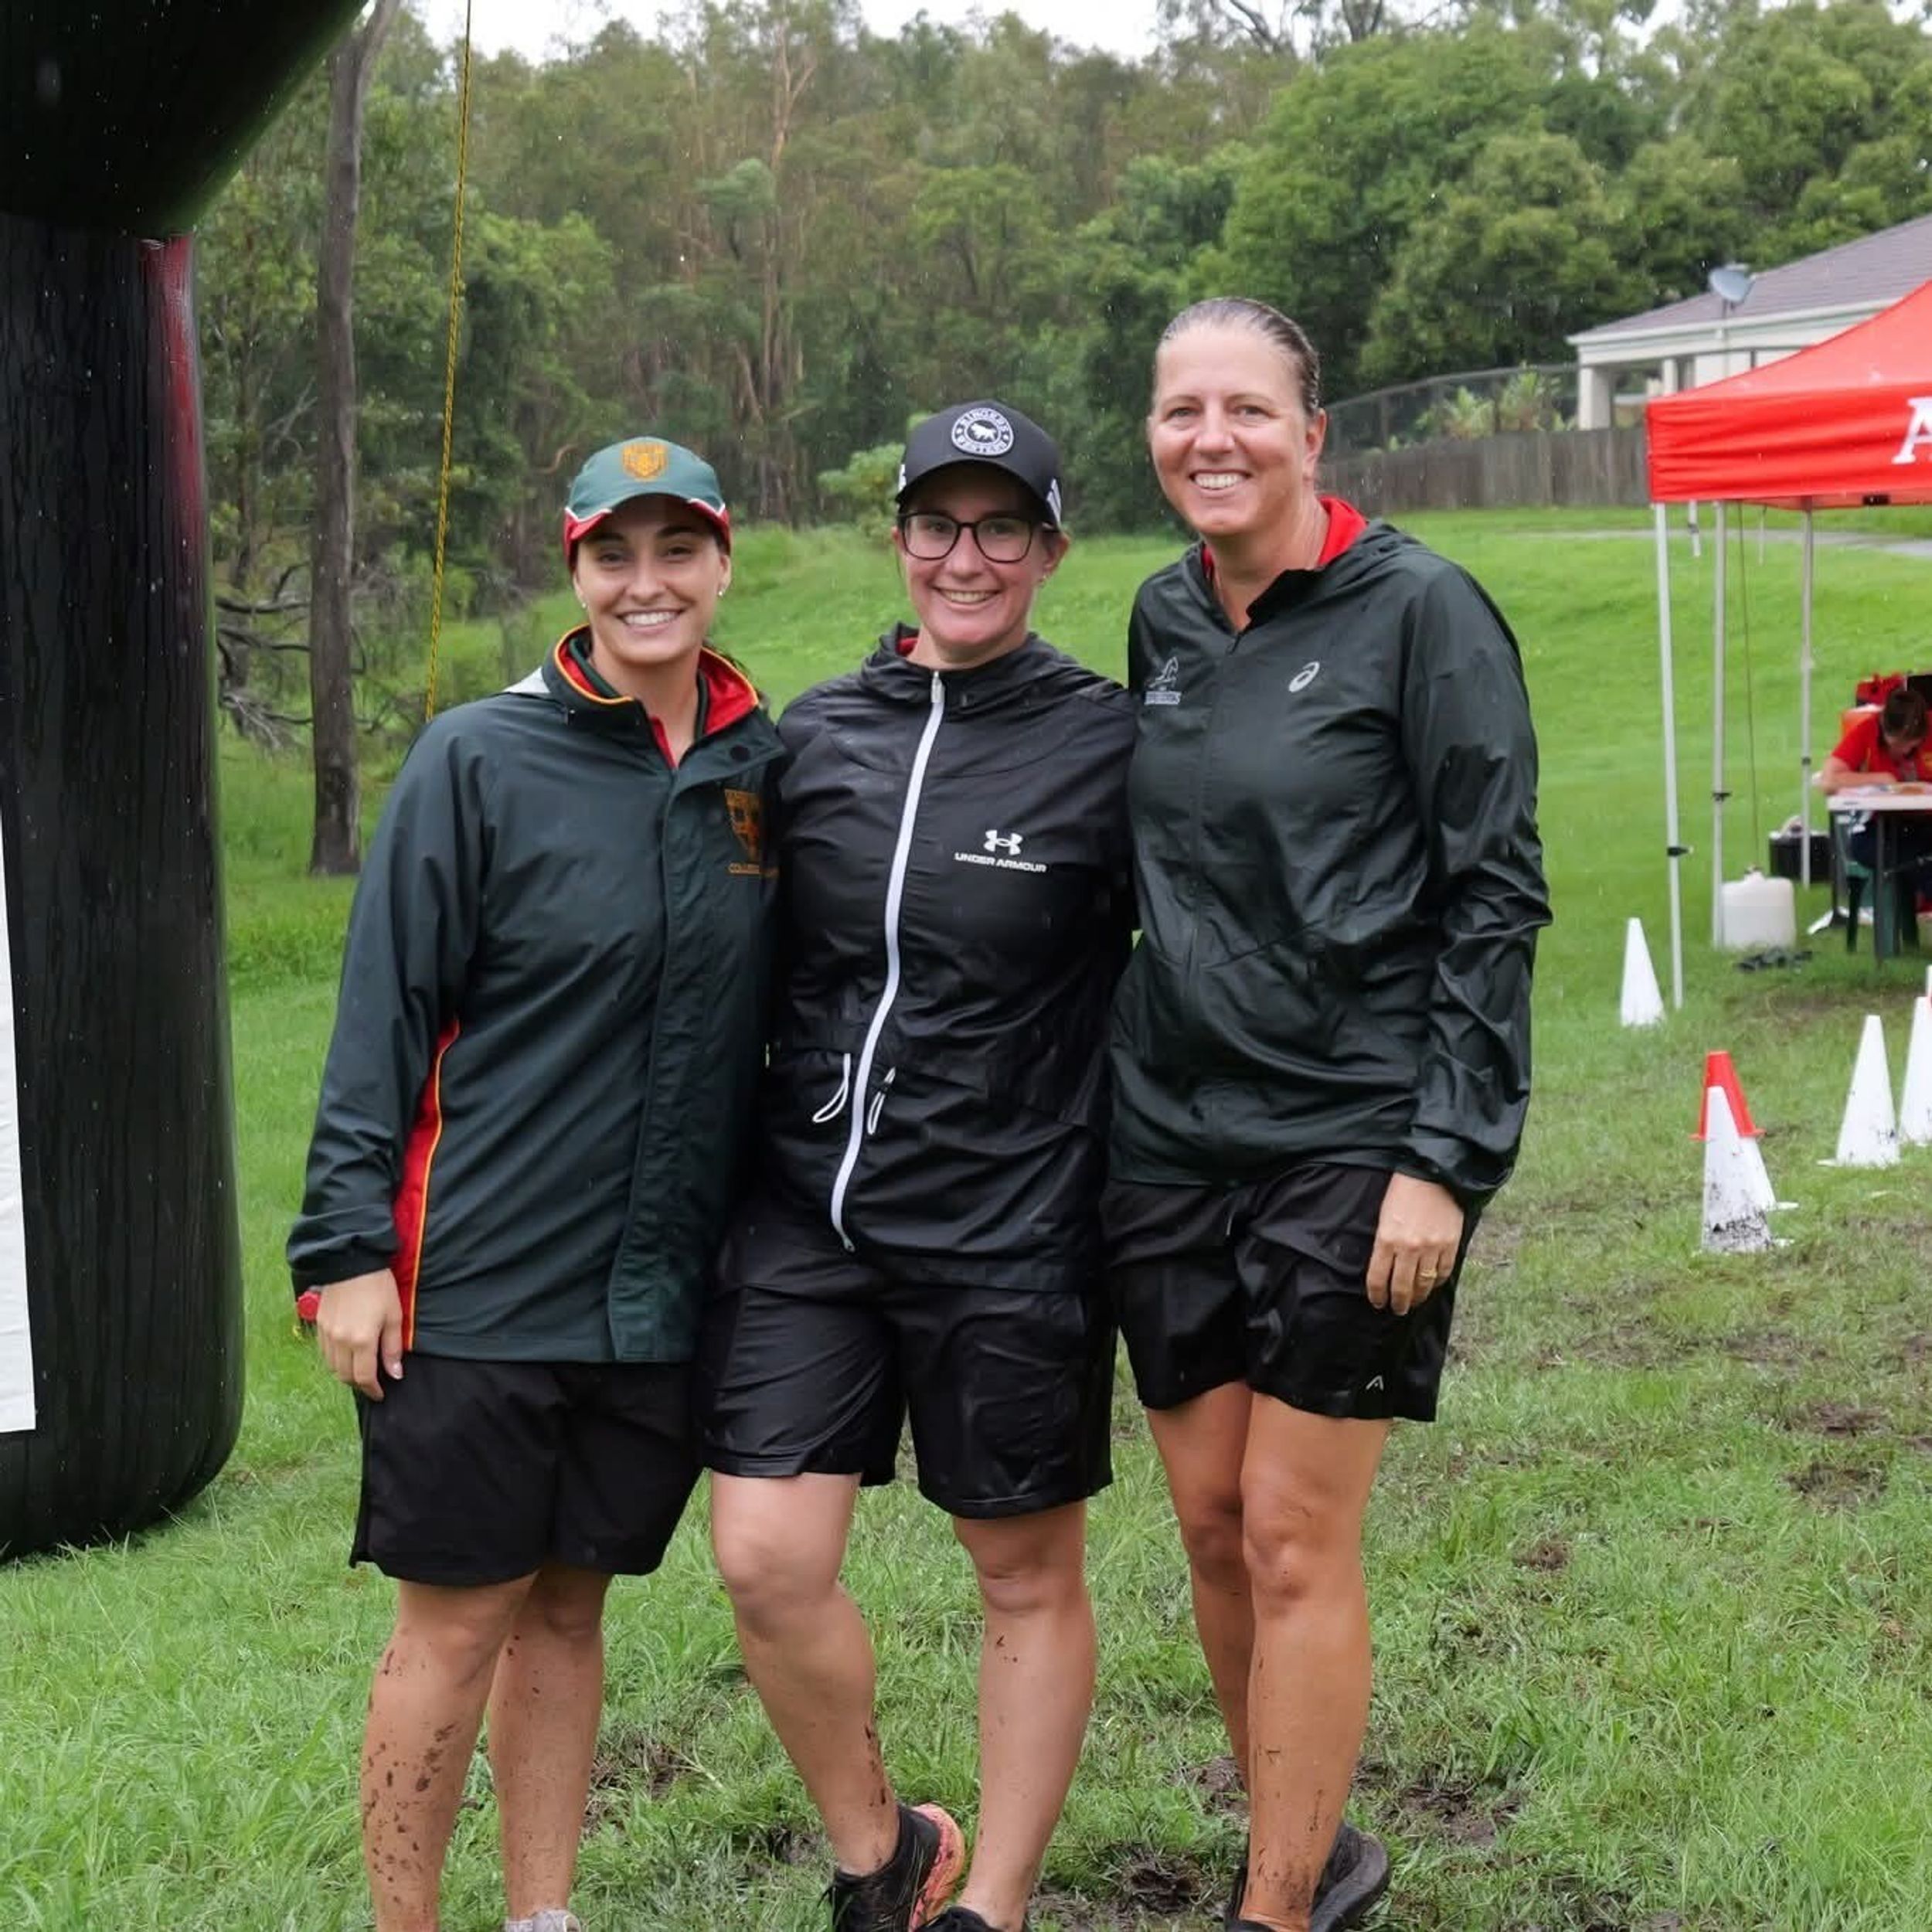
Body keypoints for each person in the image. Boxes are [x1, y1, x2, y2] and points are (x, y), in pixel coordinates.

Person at [289, 437, 783, 1932]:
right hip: (478, 1281)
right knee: (454, 1625)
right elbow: (381, 1013)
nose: (648, 584)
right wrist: (343, 1251)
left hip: (654, 1293)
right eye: (613, 555)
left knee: (568, 1609)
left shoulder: (762, 767)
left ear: (722, 561)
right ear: (573, 568)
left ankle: (541, 1916)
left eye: (677, 550)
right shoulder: (477, 757)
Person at [1105, 298, 1549, 1932]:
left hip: (1355, 1132)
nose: (1209, 436)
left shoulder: (1421, 611)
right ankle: (1306, 1845)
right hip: (1166, 1135)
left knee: (1294, 1534)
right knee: (1214, 1526)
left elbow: (1494, 897)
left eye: (1244, 408)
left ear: (1312, 432)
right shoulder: (1161, 615)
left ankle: (1277, 1908)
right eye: (1180, 409)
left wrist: (1442, 1160)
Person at [700, 400, 1135, 1932]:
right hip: (807, 1218)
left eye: (1001, 527)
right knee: (763, 1557)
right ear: (898, 539)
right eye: (939, 525)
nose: (967, 557)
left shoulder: (1106, 743)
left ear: (1049, 550)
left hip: (1011, 1227)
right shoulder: (817, 735)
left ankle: (989, 1903)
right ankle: (882, 1849)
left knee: (1020, 1571)